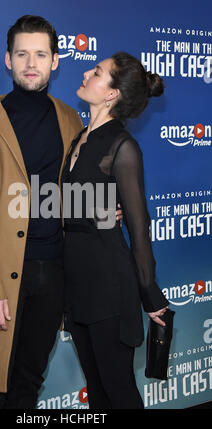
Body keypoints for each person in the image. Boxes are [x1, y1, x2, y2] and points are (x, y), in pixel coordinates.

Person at [0, 14, 122, 409]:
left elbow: (66, 190)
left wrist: (100, 211)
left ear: (55, 61)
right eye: (22, 54)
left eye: (41, 54)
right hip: (4, 280)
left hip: (56, 275)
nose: (32, 63)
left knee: (28, 383)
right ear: (8, 60)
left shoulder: (70, 119)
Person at [61, 52, 170, 409]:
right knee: (97, 393)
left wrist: (150, 294)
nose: (87, 74)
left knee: (118, 391)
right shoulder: (79, 139)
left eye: (97, 72)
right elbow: (66, 207)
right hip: (77, 284)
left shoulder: (122, 147)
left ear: (112, 94)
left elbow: (139, 228)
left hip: (110, 286)